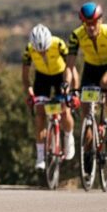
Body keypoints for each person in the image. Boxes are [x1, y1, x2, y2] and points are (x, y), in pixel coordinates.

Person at [65, 1, 107, 145]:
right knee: (86, 113)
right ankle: (88, 153)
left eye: (93, 23)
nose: (91, 27)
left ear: (100, 20)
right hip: (90, 69)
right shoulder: (76, 36)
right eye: (87, 23)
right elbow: (69, 66)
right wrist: (66, 86)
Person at [23, 23, 75, 170]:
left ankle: (68, 137)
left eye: (44, 50)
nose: (42, 54)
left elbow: (71, 68)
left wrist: (71, 87)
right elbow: (25, 75)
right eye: (39, 52)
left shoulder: (58, 44)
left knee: (64, 111)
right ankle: (40, 156)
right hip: (42, 78)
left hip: (60, 76)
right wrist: (30, 92)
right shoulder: (29, 49)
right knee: (39, 114)